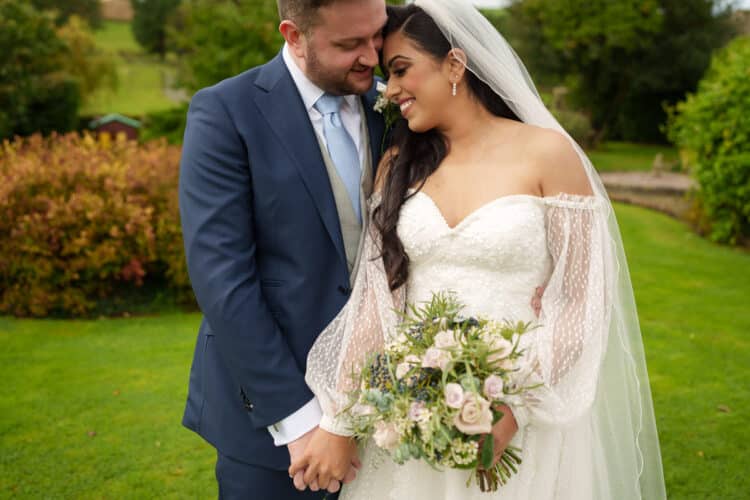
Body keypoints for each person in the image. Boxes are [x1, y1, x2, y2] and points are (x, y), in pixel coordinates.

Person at [293, 1, 667, 499]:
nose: (393, 90)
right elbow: (376, 307)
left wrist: (513, 405)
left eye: (402, 70)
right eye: (389, 75)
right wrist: (339, 418)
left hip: (520, 418)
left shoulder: (547, 154)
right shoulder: (398, 165)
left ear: (454, 63)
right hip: (413, 415)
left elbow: (582, 300)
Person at [177, 0, 389, 497]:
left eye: (376, 36)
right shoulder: (226, 111)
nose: (372, 57)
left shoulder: (396, 103)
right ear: (294, 35)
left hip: (387, 411)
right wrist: (300, 422)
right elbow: (222, 279)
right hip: (270, 424)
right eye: (349, 45)